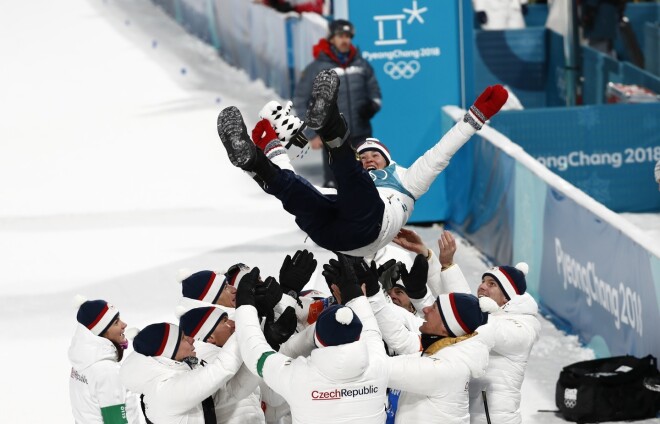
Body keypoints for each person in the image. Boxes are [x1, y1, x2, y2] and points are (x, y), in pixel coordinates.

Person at [217, 69, 508, 258]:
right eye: (364, 156)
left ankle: (330, 124)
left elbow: (441, 152)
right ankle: (251, 161)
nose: (368, 158)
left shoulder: (407, 180)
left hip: (371, 225)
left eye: (374, 156)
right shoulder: (354, 184)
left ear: (387, 160)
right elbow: (297, 185)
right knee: (299, 194)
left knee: (351, 179)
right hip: (333, 234)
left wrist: (475, 118)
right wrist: (271, 148)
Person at [233, 255, 390, 423]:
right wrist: (356, 295)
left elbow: (253, 351)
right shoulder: (378, 363)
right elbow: (371, 330)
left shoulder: (298, 374)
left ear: (317, 339)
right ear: (359, 336)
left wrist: (244, 304)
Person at [292, 18, 382, 188]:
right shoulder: (316, 68)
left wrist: (372, 107)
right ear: (332, 38)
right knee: (335, 185)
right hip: (333, 135)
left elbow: (375, 93)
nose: (345, 40)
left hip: (361, 134)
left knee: (365, 184)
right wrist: (312, 134)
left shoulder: (362, 65)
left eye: (348, 36)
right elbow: (301, 101)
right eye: (340, 35)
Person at [119, 322, 243, 424]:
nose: (192, 339)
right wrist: (246, 324)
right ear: (169, 351)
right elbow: (221, 368)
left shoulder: (177, 379)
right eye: (183, 338)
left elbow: (233, 391)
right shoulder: (163, 389)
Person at [179, 307, 266, 424]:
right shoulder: (209, 360)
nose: (233, 323)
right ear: (210, 338)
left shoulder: (222, 357)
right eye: (225, 321)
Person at [69, 296, 141, 424]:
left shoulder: (83, 361)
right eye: (116, 322)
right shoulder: (106, 370)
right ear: (101, 332)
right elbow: (116, 420)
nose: (124, 325)